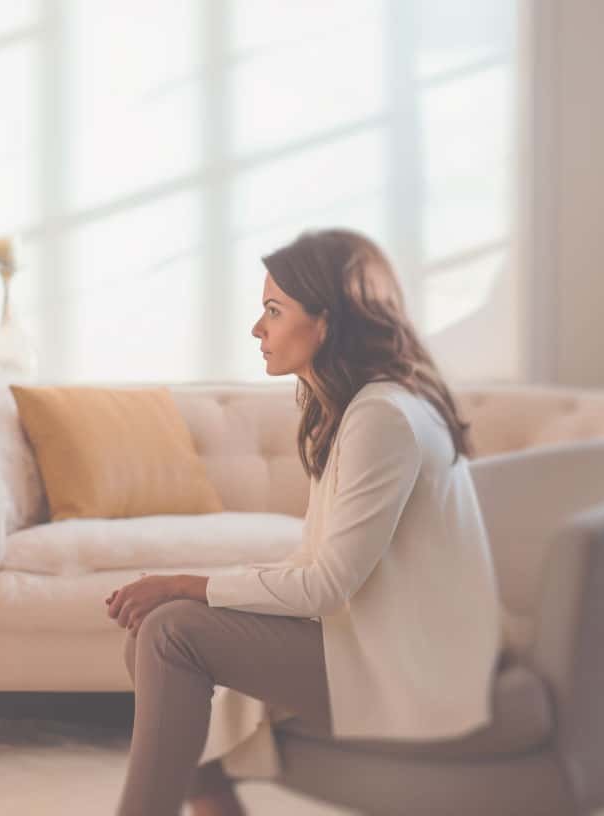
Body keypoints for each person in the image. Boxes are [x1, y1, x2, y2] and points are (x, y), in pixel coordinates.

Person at [106, 228, 503, 816]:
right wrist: (188, 592)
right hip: (374, 637)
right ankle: (214, 804)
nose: (257, 329)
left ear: (327, 322)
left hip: (407, 662)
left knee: (170, 631)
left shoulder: (382, 419)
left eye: (274, 310)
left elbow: (325, 585)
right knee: (151, 629)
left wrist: (184, 584)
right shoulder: (355, 408)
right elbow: (317, 570)